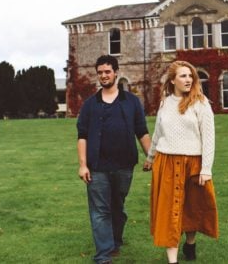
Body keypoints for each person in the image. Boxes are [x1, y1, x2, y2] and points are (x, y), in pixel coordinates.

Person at [77, 54, 151, 264]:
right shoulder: (90, 105)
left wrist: (152, 157)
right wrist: (83, 165)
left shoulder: (131, 102)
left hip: (124, 165)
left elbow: (142, 131)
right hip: (97, 166)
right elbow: (82, 135)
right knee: (100, 210)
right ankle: (103, 256)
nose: (104, 76)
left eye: (107, 71)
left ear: (116, 72)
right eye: (100, 72)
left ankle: (115, 242)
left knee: (117, 208)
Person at [143, 60, 219, 264]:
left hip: (193, 164)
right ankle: (173, 260)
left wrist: (206, 169)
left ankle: (190, 243)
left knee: (191, 208)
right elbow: (158, 133)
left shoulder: (201, 103)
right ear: (173, 80)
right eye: (183, 76)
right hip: (166, 162)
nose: (188, 79)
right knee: (169, 211)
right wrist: (150, 158)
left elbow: (209, 138)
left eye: (190, 76)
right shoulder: (165, 103)